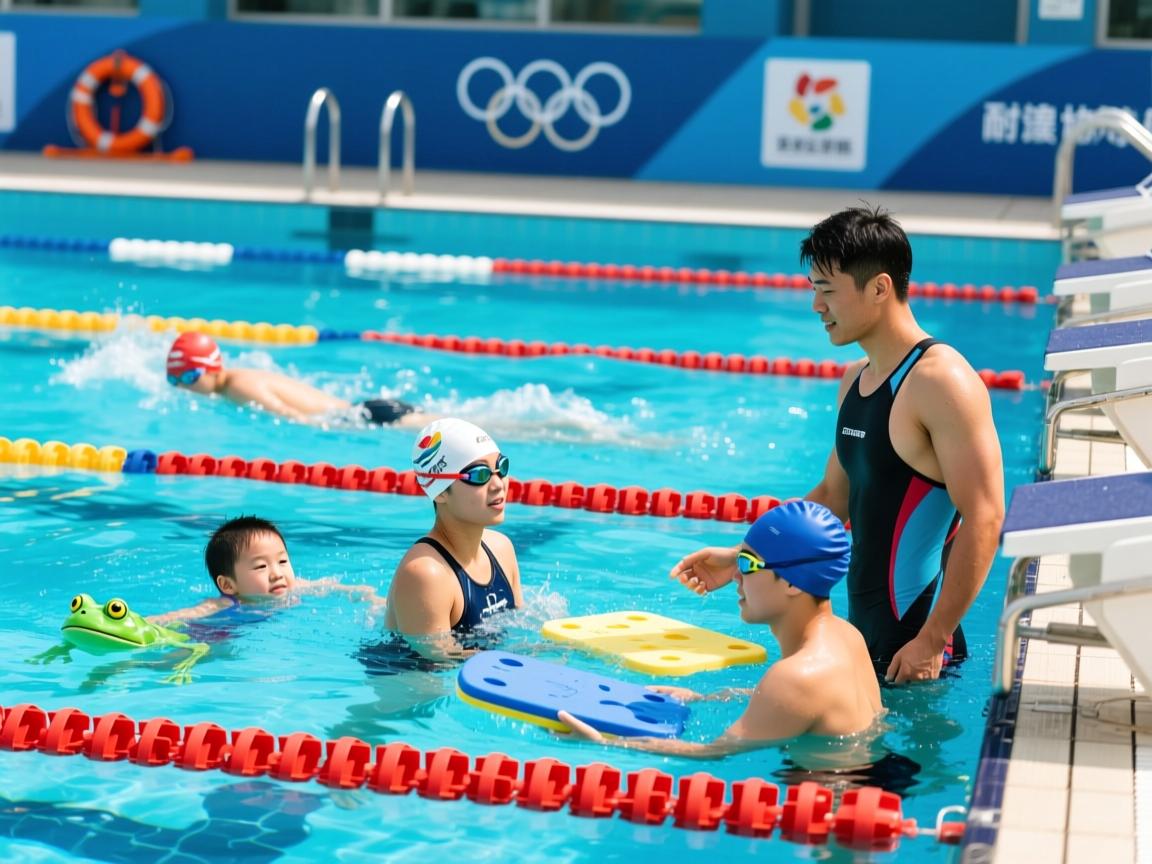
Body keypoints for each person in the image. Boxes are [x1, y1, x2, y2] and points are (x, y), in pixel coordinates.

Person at [672, 206, 1005, 684]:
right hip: (864, 645)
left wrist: (932, 640)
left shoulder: (941, 381)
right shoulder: (855, 381)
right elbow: (831, 498)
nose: (816, 306)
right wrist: (743, 557)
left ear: (879, 288)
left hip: (918, 656)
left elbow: (986, 516)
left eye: (827, 291)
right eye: (814, 290)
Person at [560, 501, 882, 757]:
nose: (735, 577)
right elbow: (801, 704)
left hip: (830, 805)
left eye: (746, 564)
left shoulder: (795, 677)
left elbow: (712, 752)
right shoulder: (846, 636)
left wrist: (604, 742)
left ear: (791, 584)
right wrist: (709, 697)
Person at [384, 417, 524, 659]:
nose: (498, 484)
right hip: (408, 685)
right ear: (440, 492)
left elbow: (521, 626)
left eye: (501, 468)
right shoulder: (426, 574)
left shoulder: (501, 548)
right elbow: (437, 664)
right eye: (480, 475)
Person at [153, 515, 386, 624]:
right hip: (218, 635)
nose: (277, 573)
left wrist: (369, 597)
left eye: (282, 562)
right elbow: (185, 615)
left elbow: (335, 587)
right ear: (228, 585)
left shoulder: (296, 588)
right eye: (261, 566)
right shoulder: (227, 603)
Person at [165, 331, 424, 427]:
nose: (184, 386)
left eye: (189, 376)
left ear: (212, 368)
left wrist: (333, 431)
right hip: (365, 410)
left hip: (367, 417)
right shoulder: (238, 376)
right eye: (175, 380)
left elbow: (292, 416)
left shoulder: (239, 386)